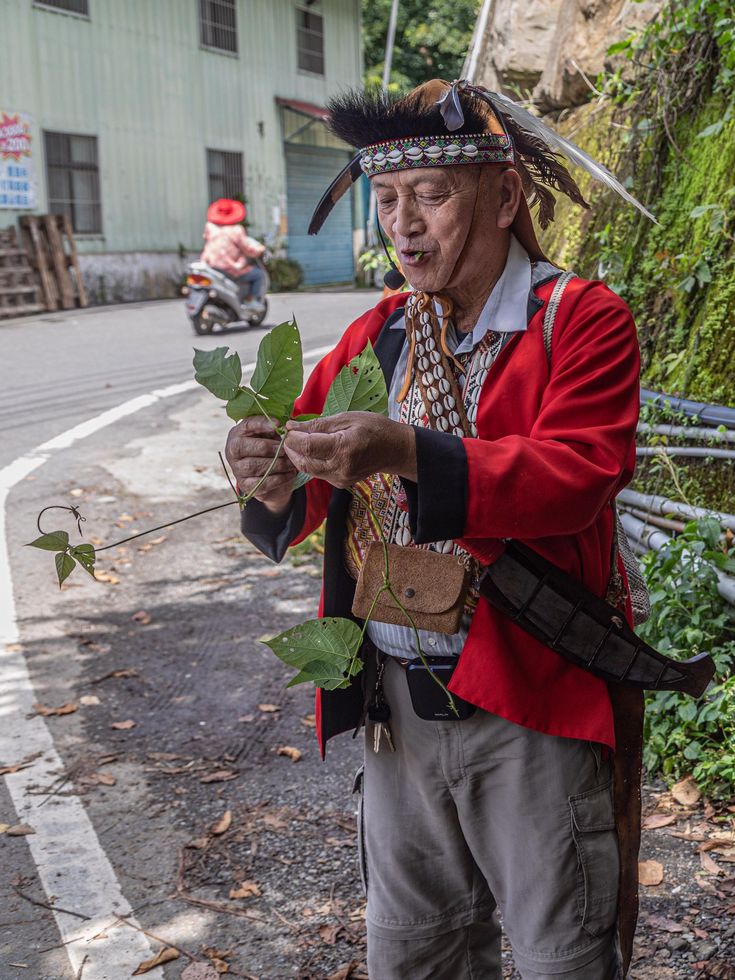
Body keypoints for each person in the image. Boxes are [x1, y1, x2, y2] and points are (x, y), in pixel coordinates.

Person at [225, 80, 645, 979]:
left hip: (528, 705)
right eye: (386, 200)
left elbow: (574, 476)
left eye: (432, 194)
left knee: (558, 956)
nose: (403, 226)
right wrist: (264, 474)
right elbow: (302, 488)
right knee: (415, 955)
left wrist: (409, 450)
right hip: (397, 716)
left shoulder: (578, 322)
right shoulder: (377, 334)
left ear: (503, 196)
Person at [200, 198, 267, 302]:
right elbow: (248, 249)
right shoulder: (236, 230)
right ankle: (253, 301)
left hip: (209, 265)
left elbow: (206, 238)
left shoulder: (209, 226)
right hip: (229, 268)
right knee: (258, 274)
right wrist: (260, 250)